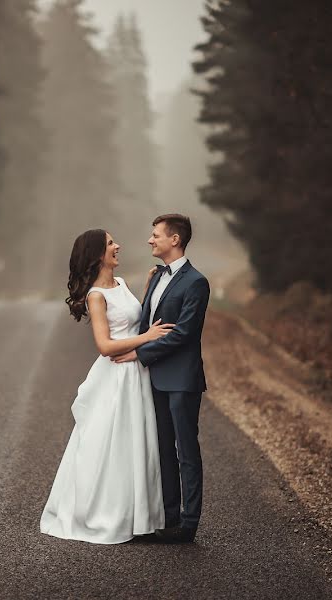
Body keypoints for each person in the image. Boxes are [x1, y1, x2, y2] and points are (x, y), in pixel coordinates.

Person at [40, 229, 174, 544]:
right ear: (98, 254)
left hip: (135, 372)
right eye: (111, 243)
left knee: (136, 441)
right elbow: (105, 345)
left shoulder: (122, 284)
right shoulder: (95, 295)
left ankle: (138, 515)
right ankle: (105, 513)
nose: (118, 246)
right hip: (116, 377)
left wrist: (149, 289)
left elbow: (131, 319)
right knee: (111, 443)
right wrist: (147, 338)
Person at [113, 214, 210, 543]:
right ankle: (168, 518)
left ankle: (189, 522)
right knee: (163, 450)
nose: (150, 240)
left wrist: (140, 354)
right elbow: (148, 322)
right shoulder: (155, 277)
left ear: (175, 240)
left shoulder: (197, 282)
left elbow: (183, 333)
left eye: (156, 235)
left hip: (182, 379)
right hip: (154, 379)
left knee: (186, 452)